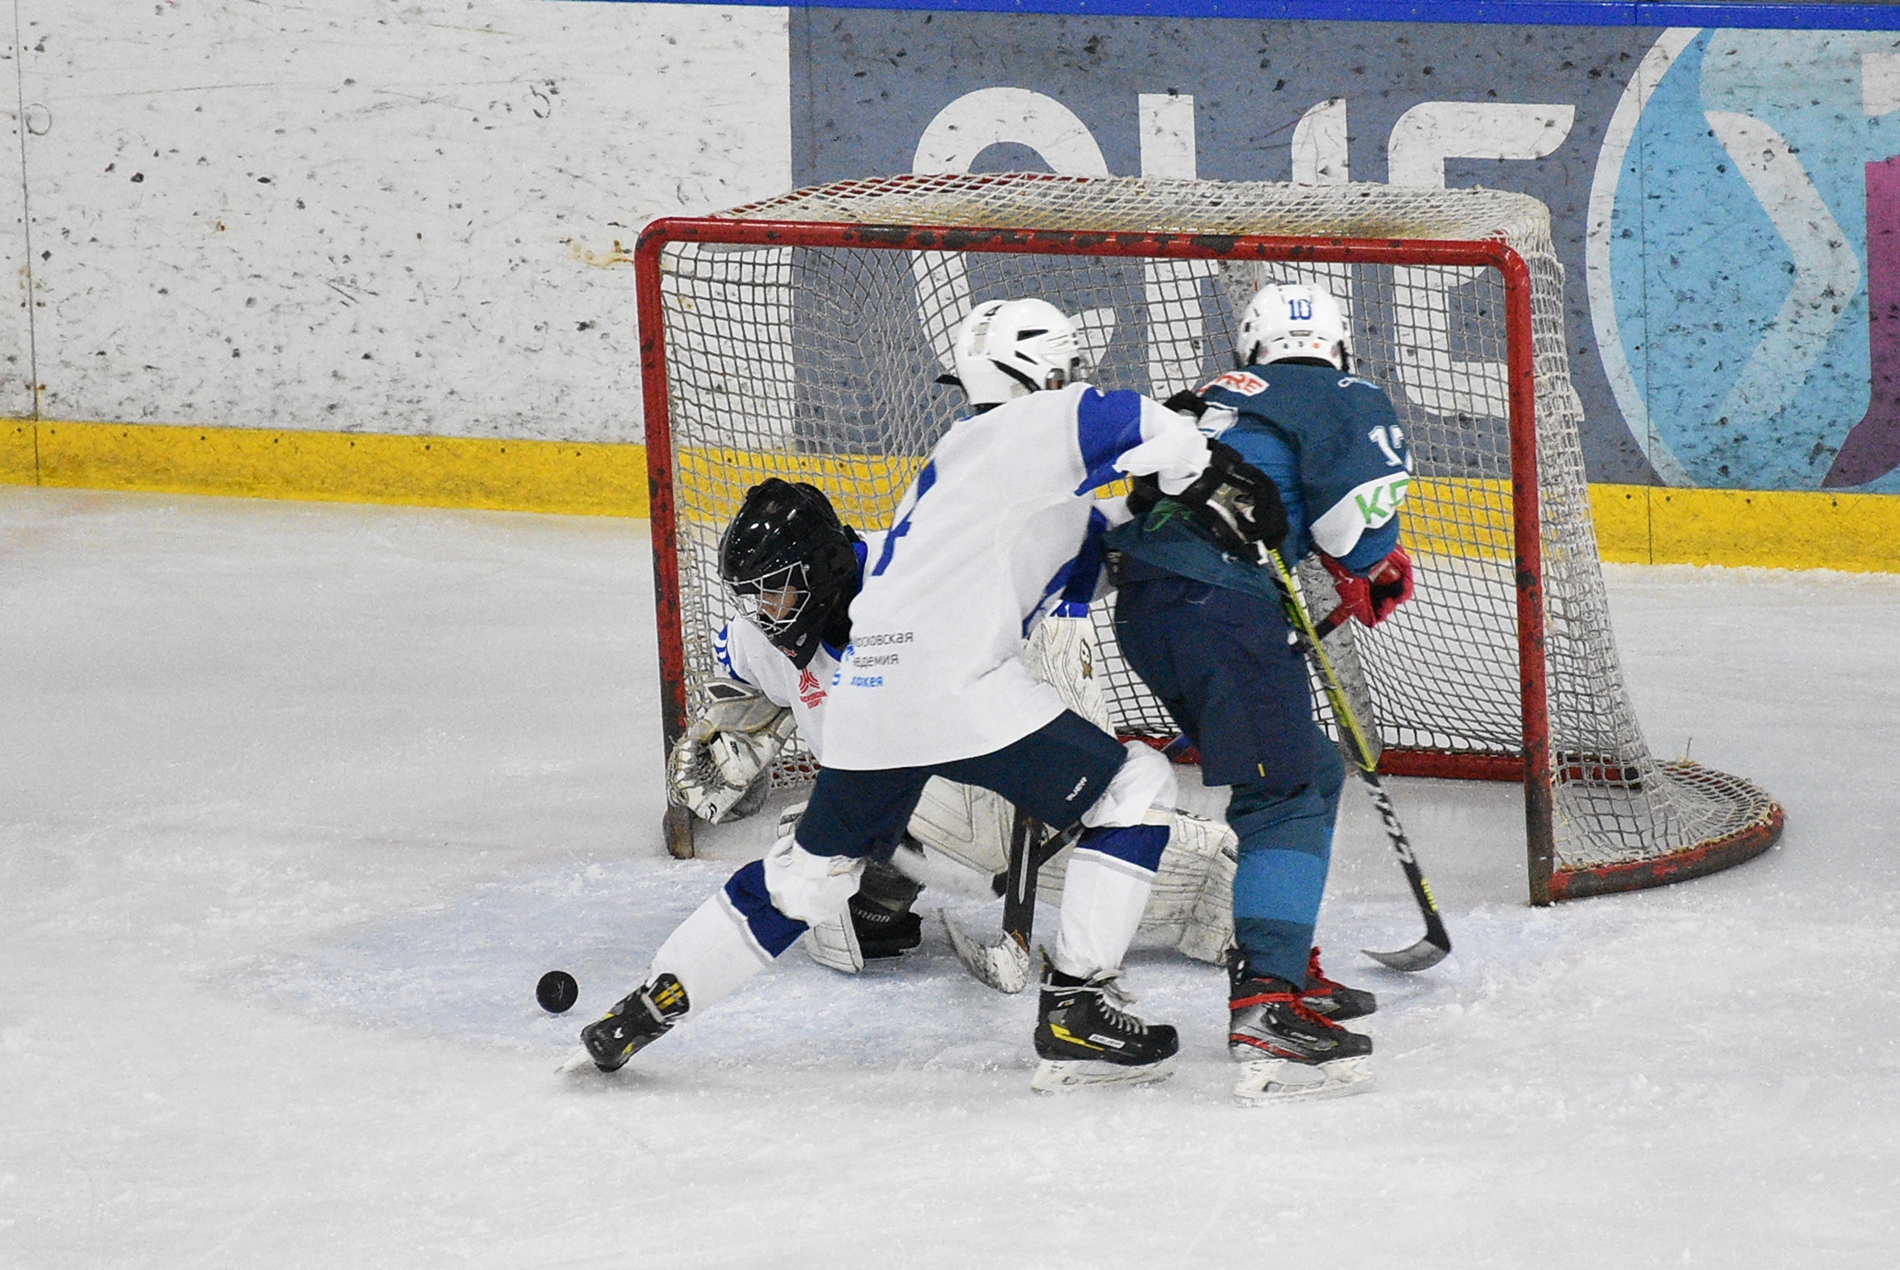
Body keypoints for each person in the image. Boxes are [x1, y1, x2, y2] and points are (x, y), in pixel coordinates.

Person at [576, 296, 1284, 1091]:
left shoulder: (959, 476)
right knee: (1135, 785)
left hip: (868, 707)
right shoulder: (1028, 426)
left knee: (802, 881)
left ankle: (645, 1009)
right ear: (1049, 371)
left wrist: (1154, 498)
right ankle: (1077, 1005)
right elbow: (1128, 423)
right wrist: (1207, 465)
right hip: (959, 692)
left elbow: (1081, 545)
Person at [667, 479, 1243, 977]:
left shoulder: (926, 578)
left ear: (821, 572)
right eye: (755, 598)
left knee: (1181, 874)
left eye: (774, 593)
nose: (763, 613)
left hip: (1029, 693)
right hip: (925, 777)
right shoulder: (764, 634)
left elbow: (1058, 571)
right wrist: (730, 742)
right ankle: (890, 871)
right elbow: (746, 686)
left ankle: (1229, 889)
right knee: (854, 841)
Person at [1106, 281, 1415, 1103]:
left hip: (1146, 603)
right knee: (1284, 792)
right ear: (1339, 344)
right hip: (1220, 608)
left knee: (1311, 767)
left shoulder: (1215, 391)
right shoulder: (1351, 392)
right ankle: (1267, 1002)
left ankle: (1288, 960)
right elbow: (1352, 530)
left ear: (1251, 344)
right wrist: (1368, 565)